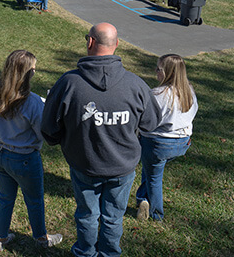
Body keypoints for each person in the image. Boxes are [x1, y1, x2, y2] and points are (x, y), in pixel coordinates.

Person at [41, 23, 158, 257]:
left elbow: (48, 129)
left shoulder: (68, 84)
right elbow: (152, 124)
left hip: (84, 164)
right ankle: (109, 254)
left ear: (90, 42)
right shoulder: (136, 85)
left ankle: (85, 252)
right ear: (116, 45)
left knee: (87, 215)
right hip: (122, 166)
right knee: (113, 217)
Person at [0, 50, 63, 251]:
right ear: (29, 74)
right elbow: (45, 133)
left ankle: (0, 238)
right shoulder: (33, 102)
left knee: (5, 196)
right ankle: (41, 238)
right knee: (34, 199)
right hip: (24, 159)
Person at [136, 54, 198, 221]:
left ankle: (156, 214)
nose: (155, 71)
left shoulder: (157, 94)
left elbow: (145, 121)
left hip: (158, 145)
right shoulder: (189, 92)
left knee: (154, 177)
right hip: (182, 143)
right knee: (151, 169)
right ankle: (142, 198)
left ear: (169, 73)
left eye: (159, 69)